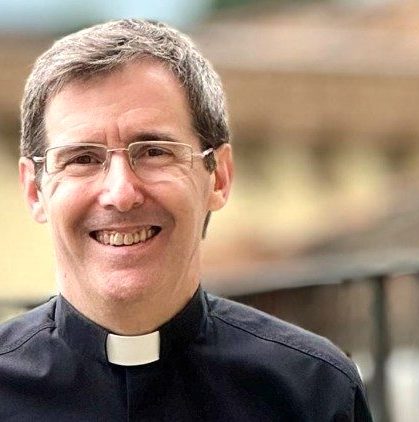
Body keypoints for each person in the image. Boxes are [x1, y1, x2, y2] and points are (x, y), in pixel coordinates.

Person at [0, 19, 372, 421]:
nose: (121, 194)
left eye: (154, 151)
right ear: (34, 190)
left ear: (219, 177)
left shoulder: (312, 389)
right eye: (82, 159)